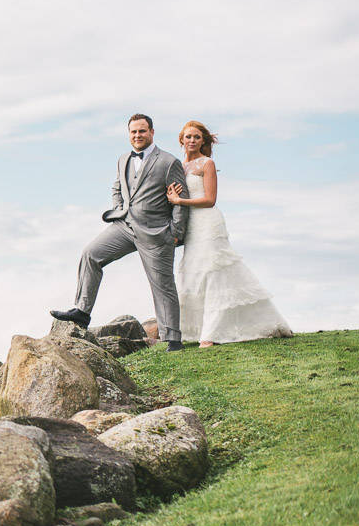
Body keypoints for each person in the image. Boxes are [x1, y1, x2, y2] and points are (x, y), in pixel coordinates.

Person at [50, 114, 189, 351]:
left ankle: (173, 339)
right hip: (123, 226)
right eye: (133, 132)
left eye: (142, 131)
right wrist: (119, 209)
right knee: (90, 254)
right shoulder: (123, 159)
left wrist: (175, 232)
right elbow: (117, 187)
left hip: (156, 233)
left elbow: (181, 199)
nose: (137, 136)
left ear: (152, 132)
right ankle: (82, 311)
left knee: (162, 285)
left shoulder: (168, 162)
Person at [165, 121, 293, 347]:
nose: (192, 141)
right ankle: (191, 330)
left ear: (203, 141)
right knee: (193, 274)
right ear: (181, 140)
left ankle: (211, 334)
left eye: (196, 137)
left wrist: (180, 200)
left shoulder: (208, 164)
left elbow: (210, 199)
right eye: (188, 137)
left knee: (213, 272)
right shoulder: (178, 166)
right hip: (191, 227)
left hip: (208, 223)